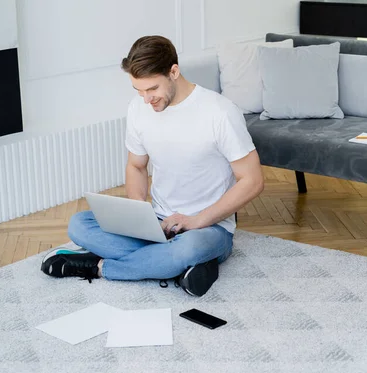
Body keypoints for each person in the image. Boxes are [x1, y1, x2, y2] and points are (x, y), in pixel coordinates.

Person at [40, 35, 264, 296]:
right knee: (79, 224)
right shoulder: (138, 109)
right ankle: (177, 267)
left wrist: (196, 221)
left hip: (207, 227)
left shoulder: (220, 113)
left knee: (188, 249)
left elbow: (253, 181)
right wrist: (137, 216)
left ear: (174, 71)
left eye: (153, 89)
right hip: (157, 223)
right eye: (139, 90)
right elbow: (136, 166)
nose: (147, 99)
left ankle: (99, 267)